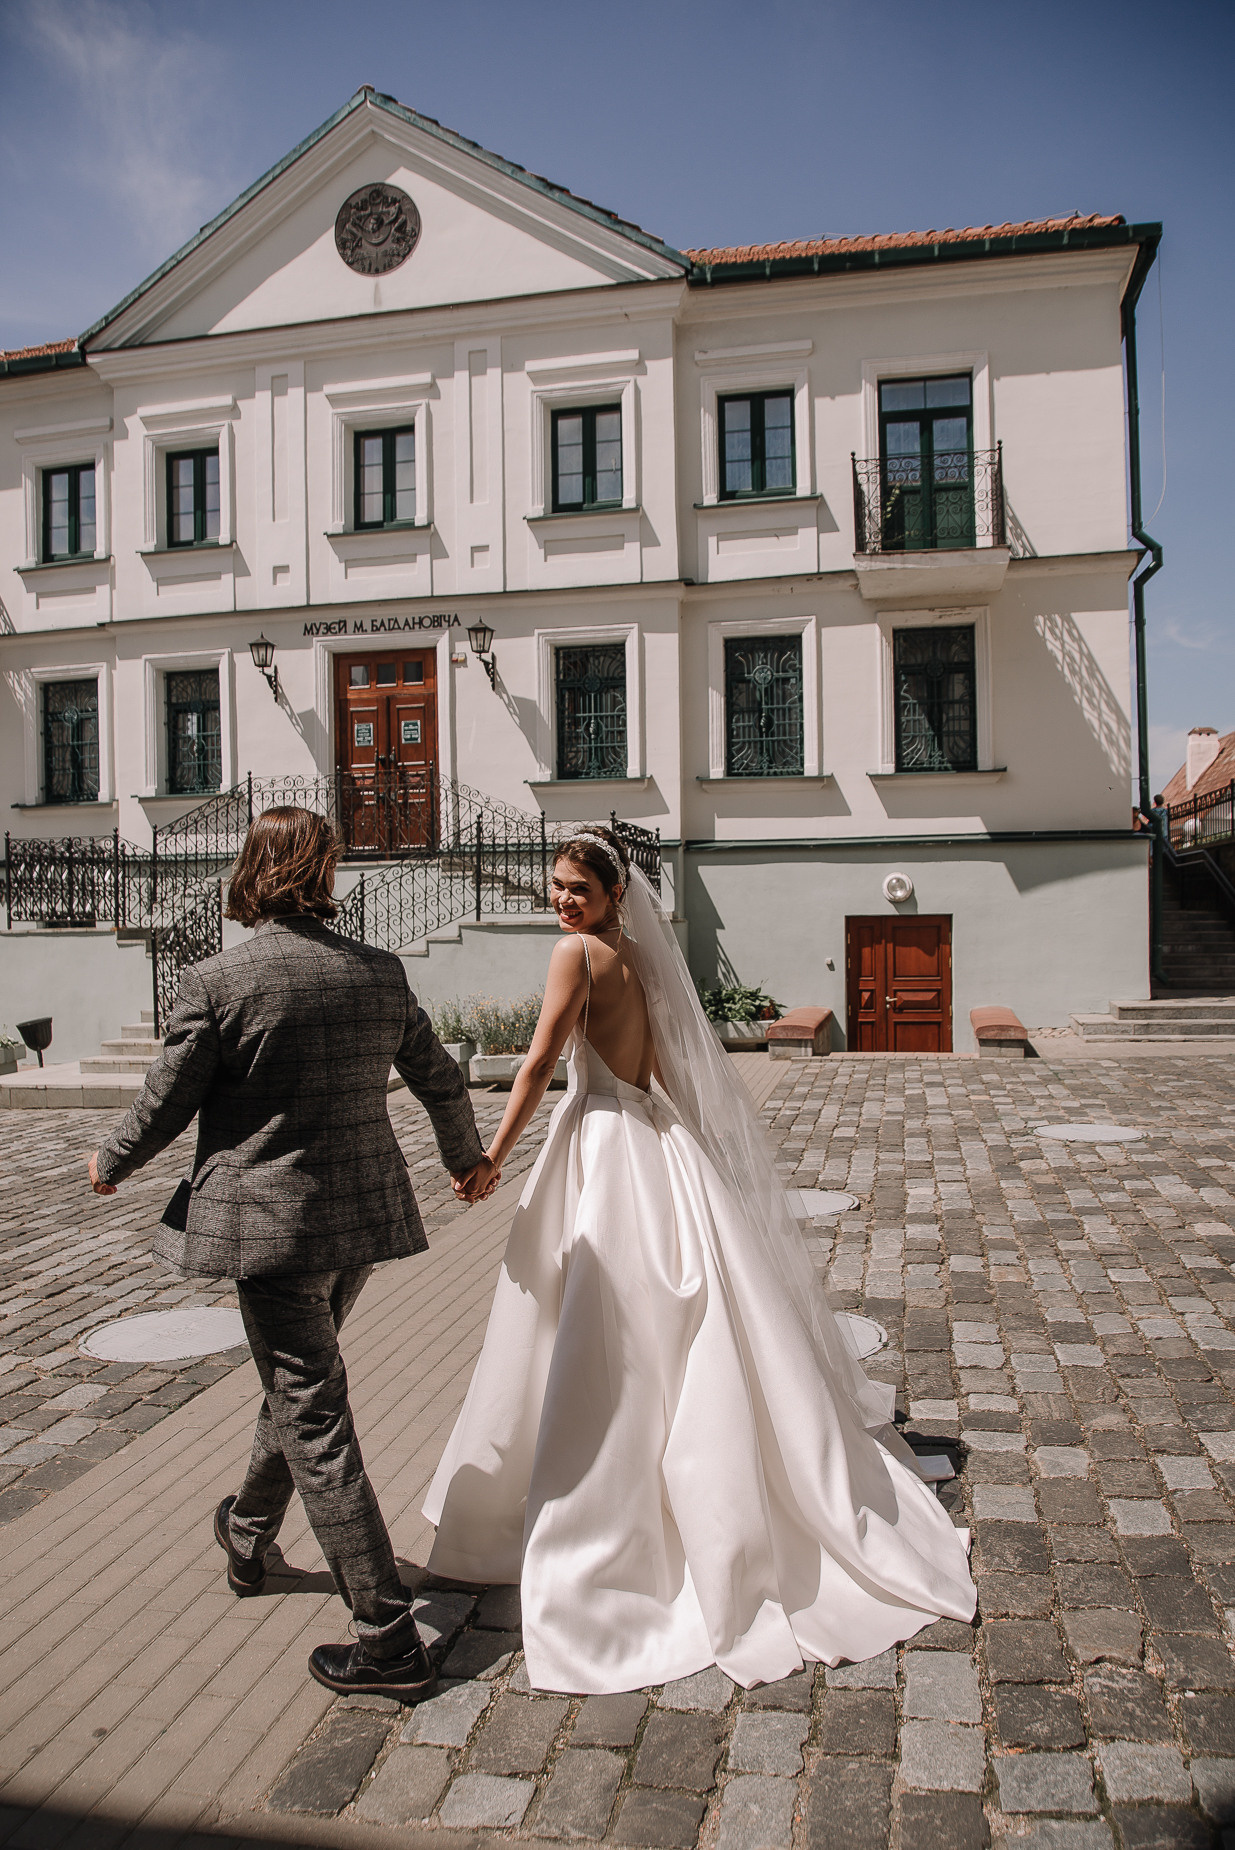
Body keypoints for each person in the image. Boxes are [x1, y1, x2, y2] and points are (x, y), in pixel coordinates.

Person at [427, 824, 976, 1694]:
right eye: (557, 886)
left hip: (602, 1143)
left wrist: (491, 1156)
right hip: (654, 1137)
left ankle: (593, 1504)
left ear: (612, 895)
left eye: (578, 888)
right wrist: (696, 1150)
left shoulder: (576, 955)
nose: (563, 900)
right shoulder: (641, 956)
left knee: (594, 1329)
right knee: (684, 1319)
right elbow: (663, 1067)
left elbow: (535, 1065)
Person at [88, 806, 494, 1703]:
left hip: (271, 1233)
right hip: (357, 1223)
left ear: (253, 869)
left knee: (313, 1414)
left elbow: (168, 1099)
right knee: (299, 1383)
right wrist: (465, 1156)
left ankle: (387, 1634)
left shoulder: (219, 979)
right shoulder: (378, 972)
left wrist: (111, 1161)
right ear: (324, 870)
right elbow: (438, 1076)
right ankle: (247, 1532)